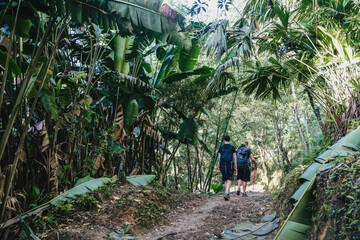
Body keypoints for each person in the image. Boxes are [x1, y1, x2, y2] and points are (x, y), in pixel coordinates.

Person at [218, 135, 237, 201]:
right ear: (229, 140)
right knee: (229, 179)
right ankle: (227, 193)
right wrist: (235, 166)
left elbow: (219, 158)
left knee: (225, 179)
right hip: (230, 164)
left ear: (224, 140)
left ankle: (227, 193)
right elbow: (234, 158)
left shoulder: (221, 147)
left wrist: (219, 166)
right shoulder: (232, 148)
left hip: (222, 164)